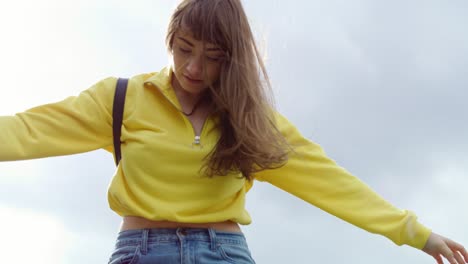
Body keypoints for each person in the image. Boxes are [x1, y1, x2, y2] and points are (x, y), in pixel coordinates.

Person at [0, 0, 466, 263]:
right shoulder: (121, 99)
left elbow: (329, 181)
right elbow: (27, 130)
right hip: (141, 252)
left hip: (222, 253)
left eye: (211, 56)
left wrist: (416, 233)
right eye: (183, 49)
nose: (193, 67)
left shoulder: (250, 122)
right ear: (170, 40)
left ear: (233, 57)